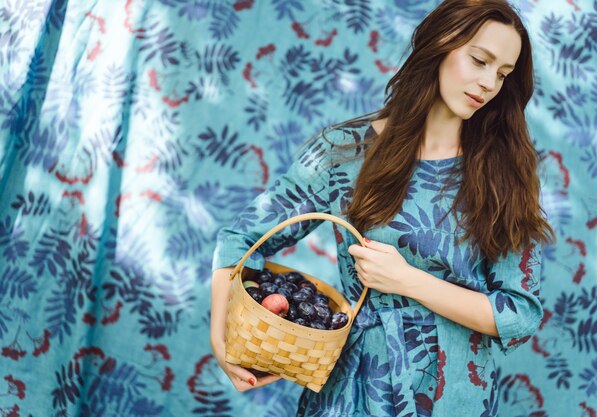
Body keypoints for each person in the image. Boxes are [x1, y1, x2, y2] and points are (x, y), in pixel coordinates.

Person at [210, 0, 555, 415]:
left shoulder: (505, 173)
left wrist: (409, 280)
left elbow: (519, 313)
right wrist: (222, 339)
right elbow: (241, 239)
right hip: (352, 392)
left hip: (453, 399)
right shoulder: (345, 152)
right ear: (439, 46)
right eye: (479, 60)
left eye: (502, 74)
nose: (488, 83)